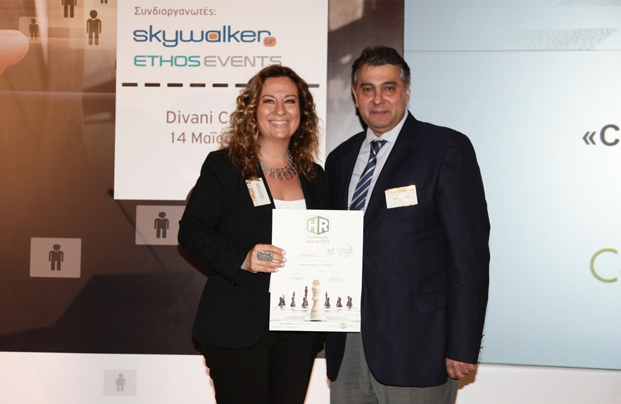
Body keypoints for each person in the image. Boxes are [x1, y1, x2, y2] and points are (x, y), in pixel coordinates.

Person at [324, 46, 490, 403]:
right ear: (355, 95)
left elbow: (469, 256)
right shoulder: (339, 160)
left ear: (407, 90)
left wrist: (463, 342)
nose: (378, 99)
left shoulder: (445, 148)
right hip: (347, 342)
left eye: (389, 87)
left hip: (419, 343)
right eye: (367, 89)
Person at [178, 64, 327, 404]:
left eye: (290, 101)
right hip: (237, 325)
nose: (280, 110)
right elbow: (192, 230)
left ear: (302, 112)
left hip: (298, 327)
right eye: (269, 101)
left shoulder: (315, 177)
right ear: (252, 110)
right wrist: (243, 258)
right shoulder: (225, 166)